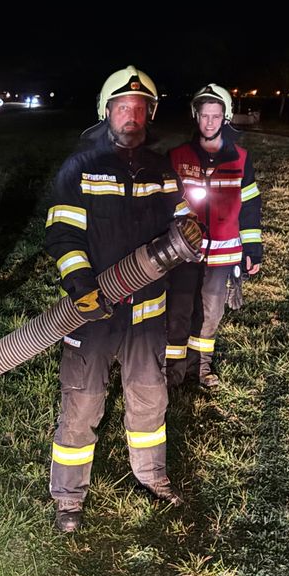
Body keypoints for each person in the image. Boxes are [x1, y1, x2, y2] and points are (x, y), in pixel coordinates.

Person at [44, 65, 198, 532]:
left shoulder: (160, 169)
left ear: (148, 114)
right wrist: (82, 287)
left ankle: (151, 477)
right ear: (106, 111)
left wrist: (192, 231)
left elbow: (184, 221)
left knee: (150, 401)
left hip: (147, 312)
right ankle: (68, 498)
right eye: (122, 107)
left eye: (140, 108)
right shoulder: (79, 168)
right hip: (93, 311)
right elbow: (61, 236)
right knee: (83, 403)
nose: (131, 115)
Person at [166, 84, 262, 388]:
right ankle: (172, 373)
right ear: (196, 116)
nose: (209, 122)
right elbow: (165, 202)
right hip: (184, 252)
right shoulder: (177, 156)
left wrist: (253, 249)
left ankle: (201, 370)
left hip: (224, 254)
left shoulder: (241, 159)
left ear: (226, 117)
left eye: (215, 116)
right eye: (204, 116)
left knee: (210, 313)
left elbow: (249, 206)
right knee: (179, 311)